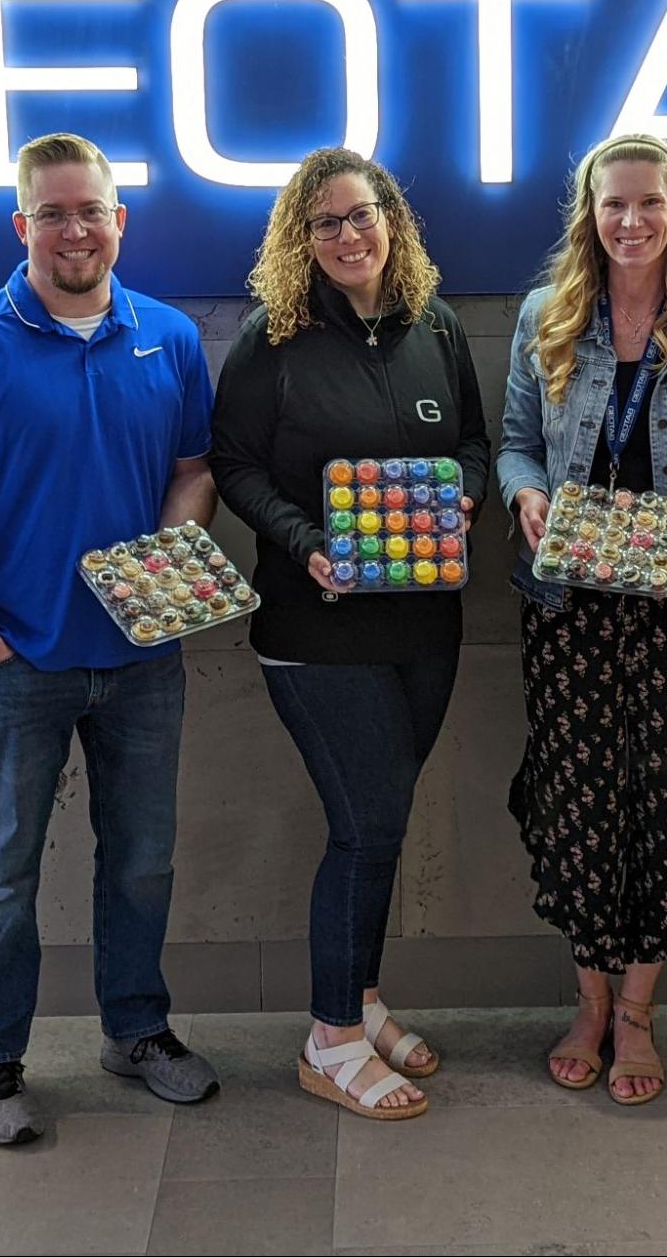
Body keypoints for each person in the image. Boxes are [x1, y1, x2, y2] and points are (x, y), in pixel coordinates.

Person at [0, 132, 222, 1145]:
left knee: (142, 862)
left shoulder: (167, 336)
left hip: (141, 663)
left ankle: (137, 1031)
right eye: (53, 212)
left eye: (91, 211)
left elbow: (193, 469)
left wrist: (166, 573)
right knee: (1, 870)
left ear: (120, 221)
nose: (74, 229)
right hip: (16, 664)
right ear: (22, 225)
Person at [210, 147, 490, 1122]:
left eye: (361, 214)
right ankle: (328, 1041)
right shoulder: (272, 339)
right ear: (301, 237)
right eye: (324, 222)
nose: (347, 234)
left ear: (392, 221)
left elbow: (470, 445)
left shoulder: (436, 327)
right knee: (364, 827)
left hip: (425, 621)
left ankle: (362, 1001)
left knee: (382, 827)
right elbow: (235, 465)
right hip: (313, 626)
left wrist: (465, 499)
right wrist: (303, 541)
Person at [496, 132, 667, 1106]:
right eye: (614, 204)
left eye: (649, 203)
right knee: (576, 797)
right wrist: (524, 496)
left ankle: (640, 1011)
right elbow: (517, 444)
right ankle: (590, 1002)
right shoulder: (547, 314)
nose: (632, 220)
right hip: (566, 604)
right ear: (589, 212)